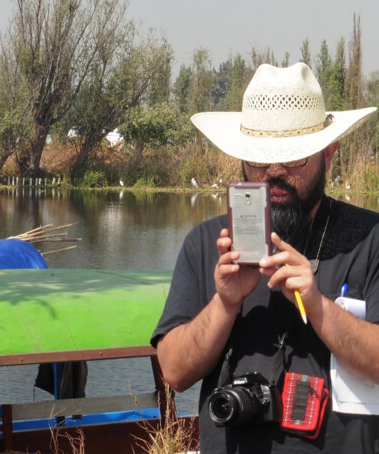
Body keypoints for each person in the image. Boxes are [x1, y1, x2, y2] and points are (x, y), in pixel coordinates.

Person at [152, 62, 379, 452]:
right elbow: (174, 371)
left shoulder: (371, 238)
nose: (273, 172)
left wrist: (317, 305)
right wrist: (224, 304)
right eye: (258, 159)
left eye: (292, 160)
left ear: (329, 153)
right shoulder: (208, 243)